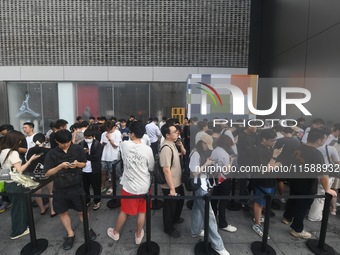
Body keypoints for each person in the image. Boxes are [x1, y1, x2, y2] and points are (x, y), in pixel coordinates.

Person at [44, 129, 97, 250]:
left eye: (68, 142)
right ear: (57, 141)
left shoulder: (77, 149)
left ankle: (87, 228)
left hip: (77, 186)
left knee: (82, 210)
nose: (66, 144)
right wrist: (59, 166)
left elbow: (84, 164)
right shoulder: (51, 153)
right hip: (60, 187)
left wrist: (78, 164)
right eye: (63, 143)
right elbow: (47, 173)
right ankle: (70, 233)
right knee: (63, 211)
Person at [282, 128, 337, 239]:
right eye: (324, 139)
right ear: (319, 140)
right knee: (303, 206)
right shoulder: (316, 154)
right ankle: (297, 229)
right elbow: (323, 175)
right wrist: (327, 188)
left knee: (292, 199)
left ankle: (287, 217)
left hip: (294, 180)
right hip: (307, 184)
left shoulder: (298, 147)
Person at [107, 121, 154, 245]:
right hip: (144, 185)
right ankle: (139, 234)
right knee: (142, 212)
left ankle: (116, 232)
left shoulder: (125, 145)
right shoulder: (147, 149)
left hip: (129, 186)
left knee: (125, 211)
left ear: (132, 133)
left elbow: (121, 150)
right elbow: (152, 167)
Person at [189, 133, 230, 255]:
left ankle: (195, 231)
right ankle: (218, 245)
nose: (208, 148)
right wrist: (206, 164)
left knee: (197, 208)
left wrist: (208, 164)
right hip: (200, 186)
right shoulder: (196, 153)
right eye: (207, 145)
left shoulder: (198, 152)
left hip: (201, 185)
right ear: (202, 143)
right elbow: (194, 172)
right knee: (210, 215)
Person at [0, 130, 41, 239]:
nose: (20, 143)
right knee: (20, 208)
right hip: (16, 183)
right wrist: (30, 160)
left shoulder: (2, 151)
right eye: (19, 141)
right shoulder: (13, 153)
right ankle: (18, 231)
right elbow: (20, 170)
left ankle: (21, 227)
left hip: (7, 182)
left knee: (17, 207)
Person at [252, 129, 282, 238]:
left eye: (275, 140)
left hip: (270, 180)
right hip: (263, 180)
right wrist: (274, 158)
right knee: (259, 202)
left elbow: (274, 165)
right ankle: (257, 224)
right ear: (264, 139)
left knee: (264, 201)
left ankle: (257, 217)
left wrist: (275, 162)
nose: (273, 142)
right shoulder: (258, 150)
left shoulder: (269, 148)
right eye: (271, 140)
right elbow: (266, 169)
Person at [159, 123, 186, 238]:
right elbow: (166, 170)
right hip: (170, 184)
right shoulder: (166, 148)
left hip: (177, 181)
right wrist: (171, 188)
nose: (177, 132)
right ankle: (168, 228)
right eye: (174, 131)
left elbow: (183, 153)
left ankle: (175, 219)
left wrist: (181, 145)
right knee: (169, 207)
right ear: (167, 135)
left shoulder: (173, 144)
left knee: (179, 202)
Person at [210, 135, 237, 233]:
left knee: (214, 198)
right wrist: (232, 161)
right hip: (224, 179)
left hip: (216, 177)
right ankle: (223, 223)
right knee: (223, 201)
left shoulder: (215, 150)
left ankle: (212, 217)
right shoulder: (225, 154)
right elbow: (226, 170)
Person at [26, 133, 56, 217]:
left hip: (35, 174)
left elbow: (28, 161)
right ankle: (52, 210)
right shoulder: (48, 150)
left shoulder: (31, 150)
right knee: (51, 192)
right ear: (44, 140)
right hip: (48, 174)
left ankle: (42, 209)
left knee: (37, 192)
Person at [79, 129, 103, 210]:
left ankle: (97, 201)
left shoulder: (97, 144)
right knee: (85, 187)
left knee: (96, 187)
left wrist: (85, 154)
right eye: (85, 137)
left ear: (93, 137)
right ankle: (87, 200)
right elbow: (78, 155)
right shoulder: (82, 143)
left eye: (89, 137)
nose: (87, 139)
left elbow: (96, 158)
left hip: (95, 170)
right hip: (84, 170)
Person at [100, 120, 122, 195]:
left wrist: (109, 139)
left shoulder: (117, 133)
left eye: (109, 129)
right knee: (103, 172)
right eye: (107, 129)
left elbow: (116, 145)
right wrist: (103, 143)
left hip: (113, 156)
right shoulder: (104, 134)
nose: (108, 131)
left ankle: (112, 187)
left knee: (112, 173)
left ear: (114, 127)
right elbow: (101, 144)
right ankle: (103, 185)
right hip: (104, 156)